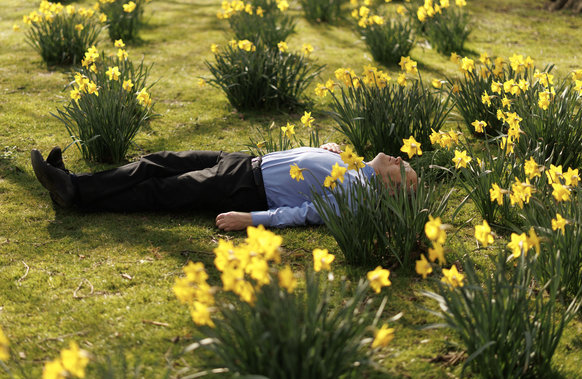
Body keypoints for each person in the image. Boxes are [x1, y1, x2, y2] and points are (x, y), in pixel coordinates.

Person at [30, 144, 418, 231]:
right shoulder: (351, 164)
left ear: (392, 191)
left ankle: (75, 193)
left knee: (161, 190)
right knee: (157, 161)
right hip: (243, 161)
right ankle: (75, 182)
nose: (400, 160)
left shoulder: (355, 195)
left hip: (246, 187)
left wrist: (249, 219)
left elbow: (304, 214)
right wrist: (325, 147)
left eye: (405, 171)